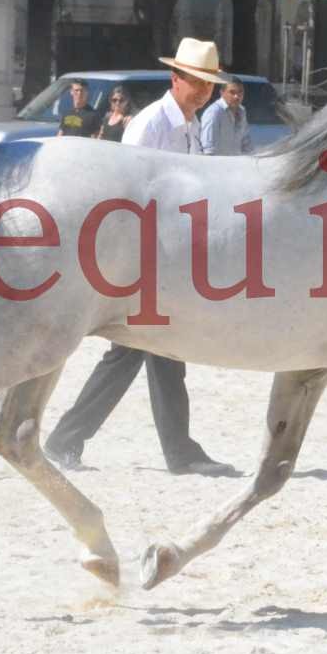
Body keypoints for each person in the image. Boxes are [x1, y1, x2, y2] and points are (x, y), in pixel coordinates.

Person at [43, 38, 237, 477]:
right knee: (145, 350)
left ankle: (74, 440)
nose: (204, 92)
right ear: (176, 79)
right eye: (197, 83)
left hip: (167, 259)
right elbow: (122, 189)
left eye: (209, 84)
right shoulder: (150, 124)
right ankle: (175, 452)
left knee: (149, 352)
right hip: (140, 256)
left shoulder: (190, 125)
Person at [200, 77, 254, 155]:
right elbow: (208, 149)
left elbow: (246, 143)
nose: (237, 96)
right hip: (219, 165)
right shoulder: (214, 112)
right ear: (222, 93)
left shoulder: (241, 112)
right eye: (232, 92)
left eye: (240, 92)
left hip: (237, 164)